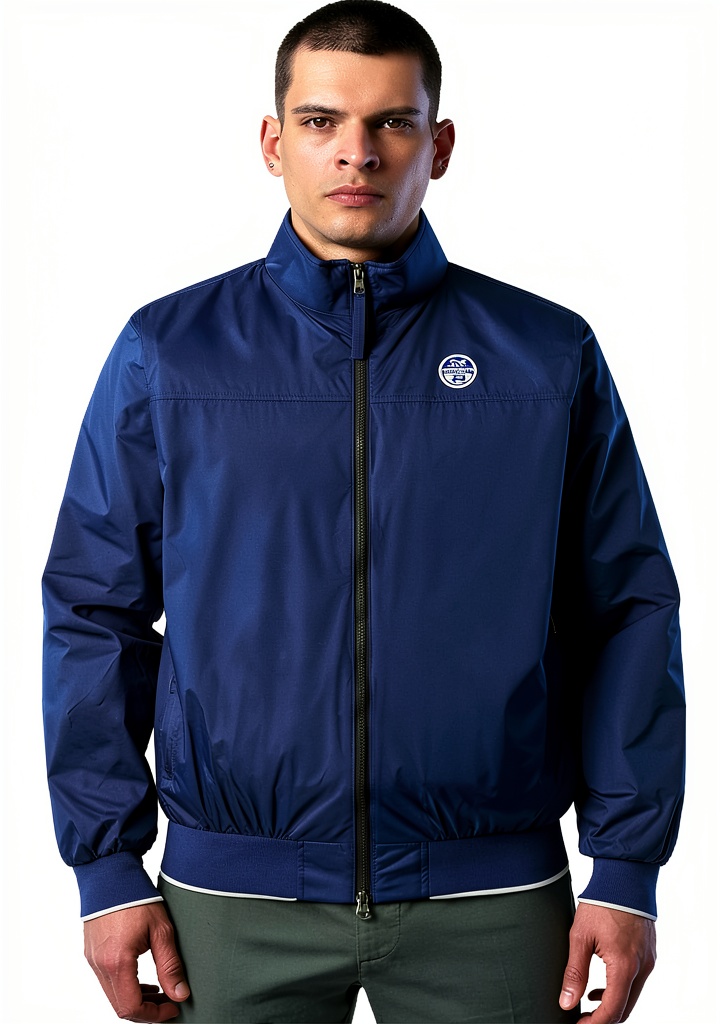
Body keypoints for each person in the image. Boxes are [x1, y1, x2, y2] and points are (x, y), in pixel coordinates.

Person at [41, 2, 685, 1022]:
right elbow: (93, 608)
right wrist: (107, 867)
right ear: (272, 142)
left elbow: (628, 610)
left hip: (492, 896)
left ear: (440, 144)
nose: (357, 152)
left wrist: (627, 869)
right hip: (231, 900)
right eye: (320, 121)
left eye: (391, 122)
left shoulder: (544, 354)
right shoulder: (170, 353)